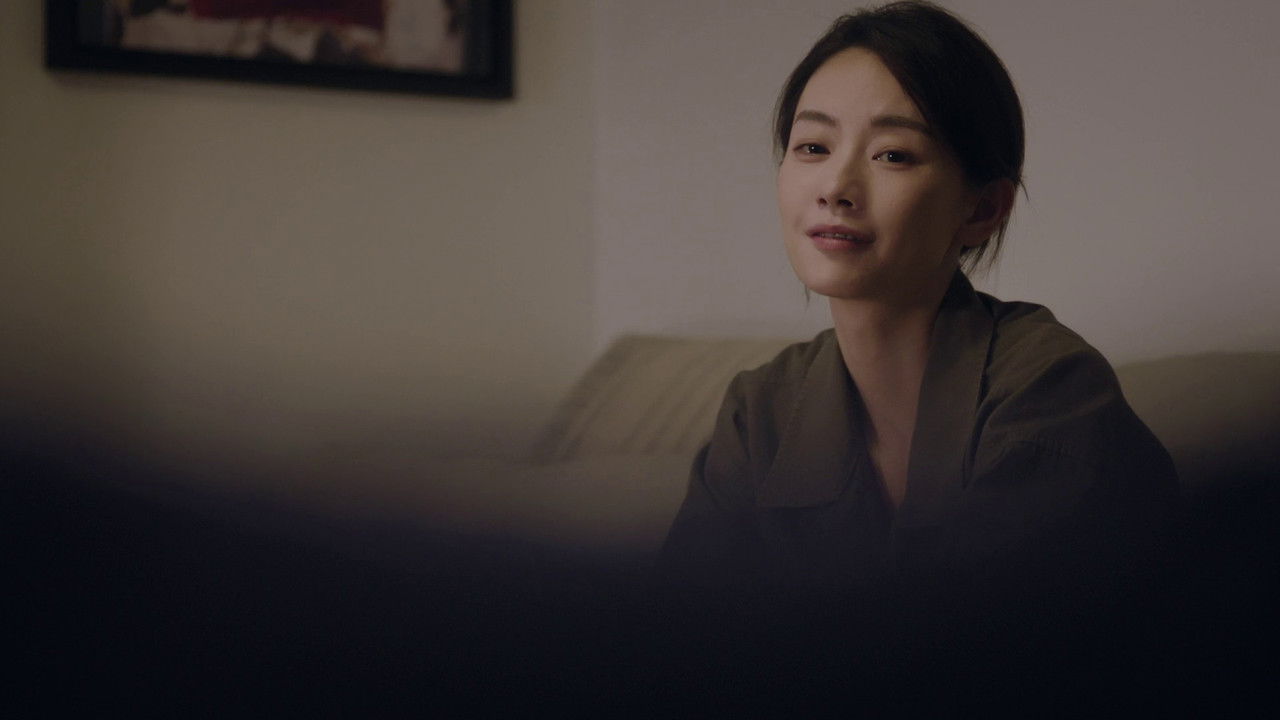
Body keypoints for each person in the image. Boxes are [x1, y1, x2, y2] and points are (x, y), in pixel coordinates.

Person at [659, 1, 1177, 607]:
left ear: (982, 208)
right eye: (813, 146)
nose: (835, 188)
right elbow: (678, 633)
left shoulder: (1051, 390)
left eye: (893, 155)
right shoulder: (760, 411)